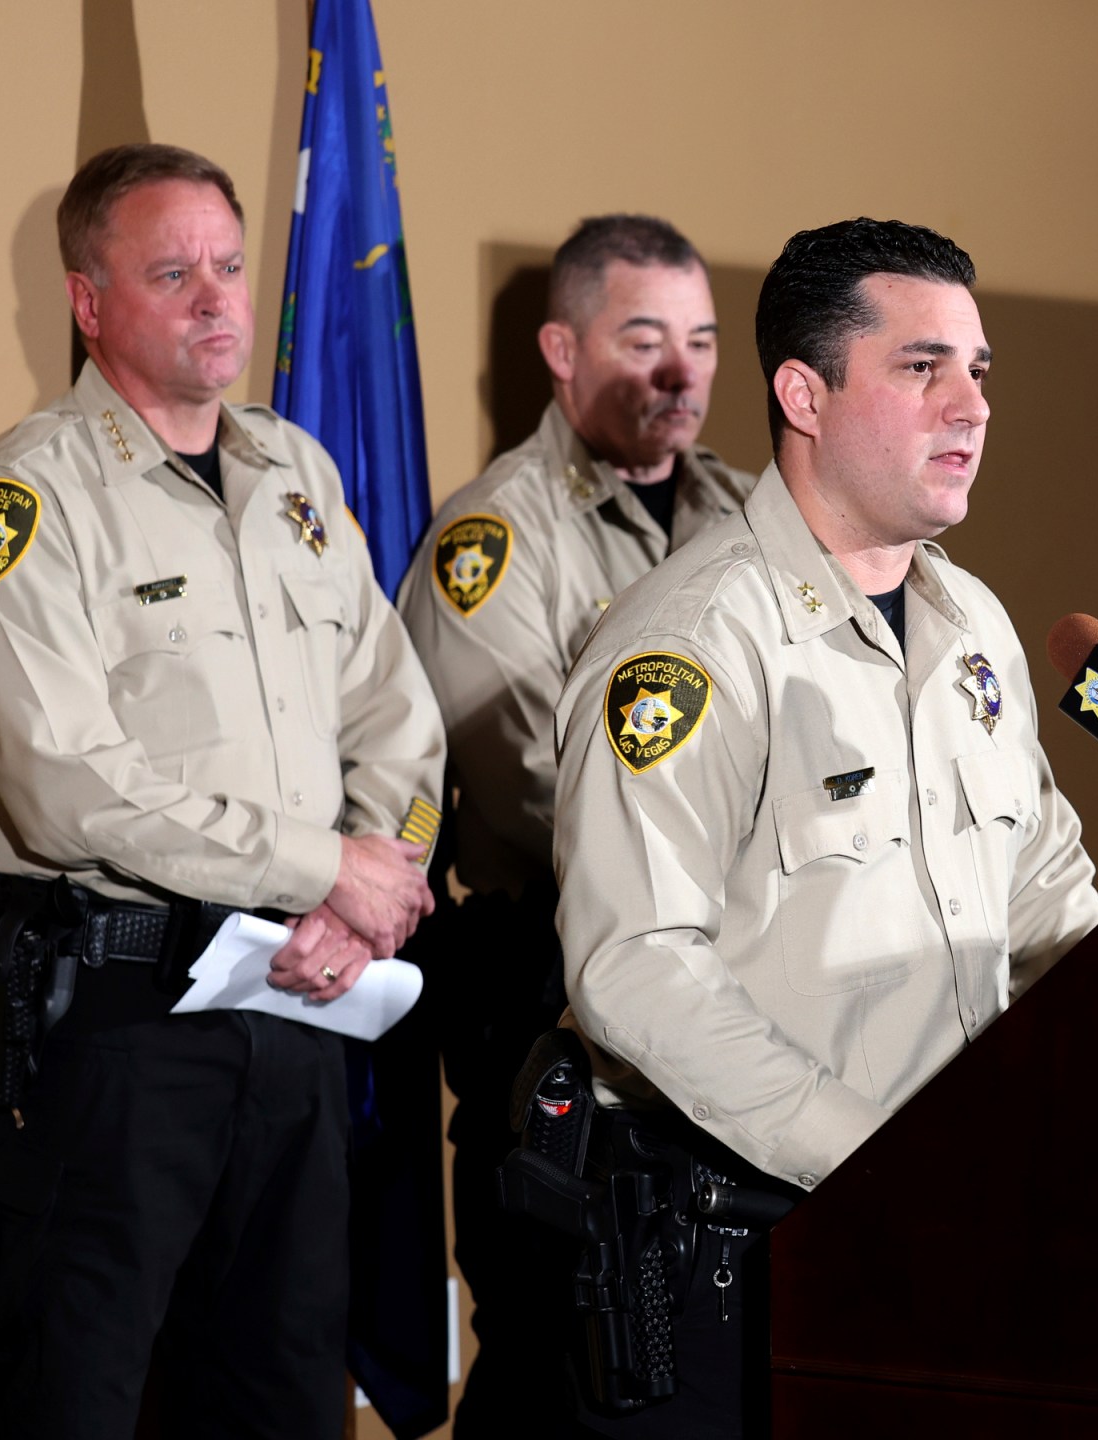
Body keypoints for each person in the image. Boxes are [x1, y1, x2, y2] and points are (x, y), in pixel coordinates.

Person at [547, 218, 1098, 1435]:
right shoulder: (688, 646)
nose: (971, 406)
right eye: (923, 368)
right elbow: (635, 970)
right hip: (745, 1248)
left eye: (979, 370)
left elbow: (1045, 895)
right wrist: (879, 1165)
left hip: (944, 1232)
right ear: (803, 393)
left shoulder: (971, 623)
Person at [0, 142, 445, 1438]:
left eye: (229, 266)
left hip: (296, 1007)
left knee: (284, 1401)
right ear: (89, 302)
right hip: (112, 1036)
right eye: (171, 273)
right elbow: (65, 788)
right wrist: (317, 868)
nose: (216, 298)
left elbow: (394, 710)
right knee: (81, 1401)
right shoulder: (25, 497)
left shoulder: (297, 472)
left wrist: (367, 894)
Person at [393, 214, 754, 1435]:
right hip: (546, 991)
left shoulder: (754, 522)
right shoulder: (495, 542)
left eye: (700, 341)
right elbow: (532, 793)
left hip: (728, 988)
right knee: (556, 1342)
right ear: (561, 347)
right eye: (643, 337)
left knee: (689, 1351)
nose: (680, 371)